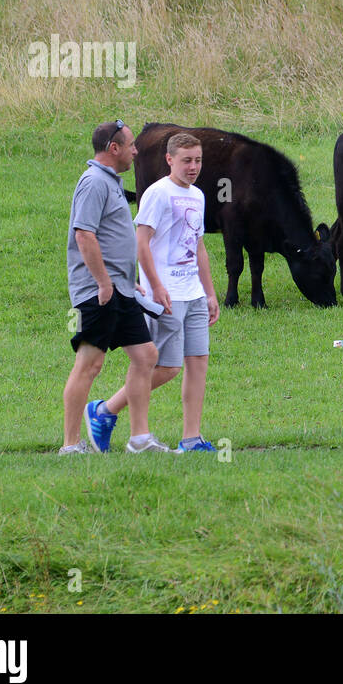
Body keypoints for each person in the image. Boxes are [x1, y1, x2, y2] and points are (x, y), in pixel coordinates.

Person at [94, 132, 220, 452]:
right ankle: (104, 411)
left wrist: (210, 292)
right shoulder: (157, 193)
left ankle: (191, 438)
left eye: (198, 160)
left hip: (193, 292)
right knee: (166, 367)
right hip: (166, 294)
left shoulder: (198, 195)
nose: (193, 167)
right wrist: (157, 286)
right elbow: (142, 242)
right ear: (169, 160)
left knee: (199, 362)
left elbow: (199, 246)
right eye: (187, 161)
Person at [61, 120, 172, 454]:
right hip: (98, 292)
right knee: (89, 364)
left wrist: (128, 282)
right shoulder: (94, 182)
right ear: (114, 148)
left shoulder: (109, 182)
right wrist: (103, 283)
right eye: (131, 145)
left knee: (146, 355)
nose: (136, 151)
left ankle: (139, 439)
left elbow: (110, 238)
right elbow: (84, 234)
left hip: (120, 289)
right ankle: (70, 445)